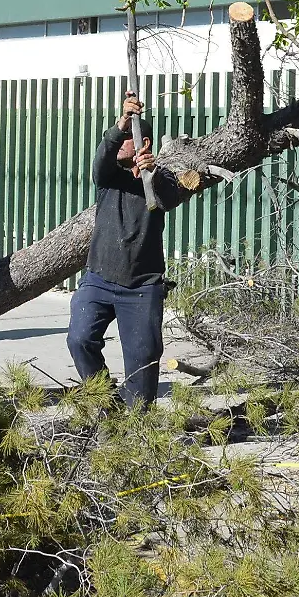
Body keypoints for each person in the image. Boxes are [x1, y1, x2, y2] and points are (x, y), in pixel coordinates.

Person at [67, 92, 182, 409]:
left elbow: (169, 197)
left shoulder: (162, 179)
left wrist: (153, 173)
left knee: (144, 358)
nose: (119, 145)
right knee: (79, 339)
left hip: (143, 286)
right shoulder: (109, 179)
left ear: (144, 144)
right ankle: (105, 401)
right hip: (99, 279)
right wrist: (119, 126)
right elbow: (101, 158)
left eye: (126, 139)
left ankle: (138, 426)